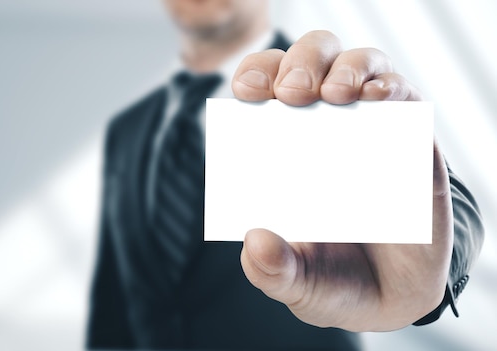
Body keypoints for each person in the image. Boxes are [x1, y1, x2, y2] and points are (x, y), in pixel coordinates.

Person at [86, 0, 484, 349]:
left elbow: (452, 201)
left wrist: (429, 277)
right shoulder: (129, 129)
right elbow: (115, 297)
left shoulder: (330, 87)